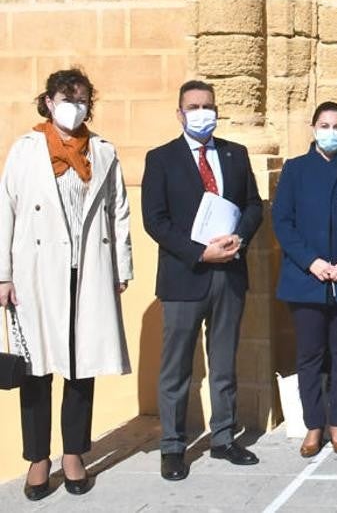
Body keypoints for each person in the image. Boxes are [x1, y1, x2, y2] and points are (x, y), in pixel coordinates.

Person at [0, 68, 132, 500]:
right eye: (65, 96)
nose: (73, 105)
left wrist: (120, 268)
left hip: (88, 268)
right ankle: (38, 459)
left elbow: (119, 211)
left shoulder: (103, 152)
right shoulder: (25, 150)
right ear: (49, 101)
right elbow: (6, 212)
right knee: (36, 370)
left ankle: (74, 453)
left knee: (81, 366)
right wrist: (2, 274)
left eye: (81, 98)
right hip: (36, 272)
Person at [141, 80, 264, 481]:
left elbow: (252, 205)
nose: (202, 112)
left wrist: (238, 238)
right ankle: (173, 446)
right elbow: (155, 220)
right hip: (183, 277)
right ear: (180, 113)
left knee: (225, 360)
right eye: (193, 106)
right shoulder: (161, 158)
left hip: (228, 273)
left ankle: (224, 437)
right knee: (176, 367)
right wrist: (199, 252)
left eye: (208, 105)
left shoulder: (235, 154)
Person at [272, 102, 337, 458]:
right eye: (324, 124)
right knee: (309, 354)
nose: (331, 131)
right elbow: (283, 222)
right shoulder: (295, 169)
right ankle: (312, 425)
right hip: (308, 278)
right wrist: (311, 261)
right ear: (313, 127)